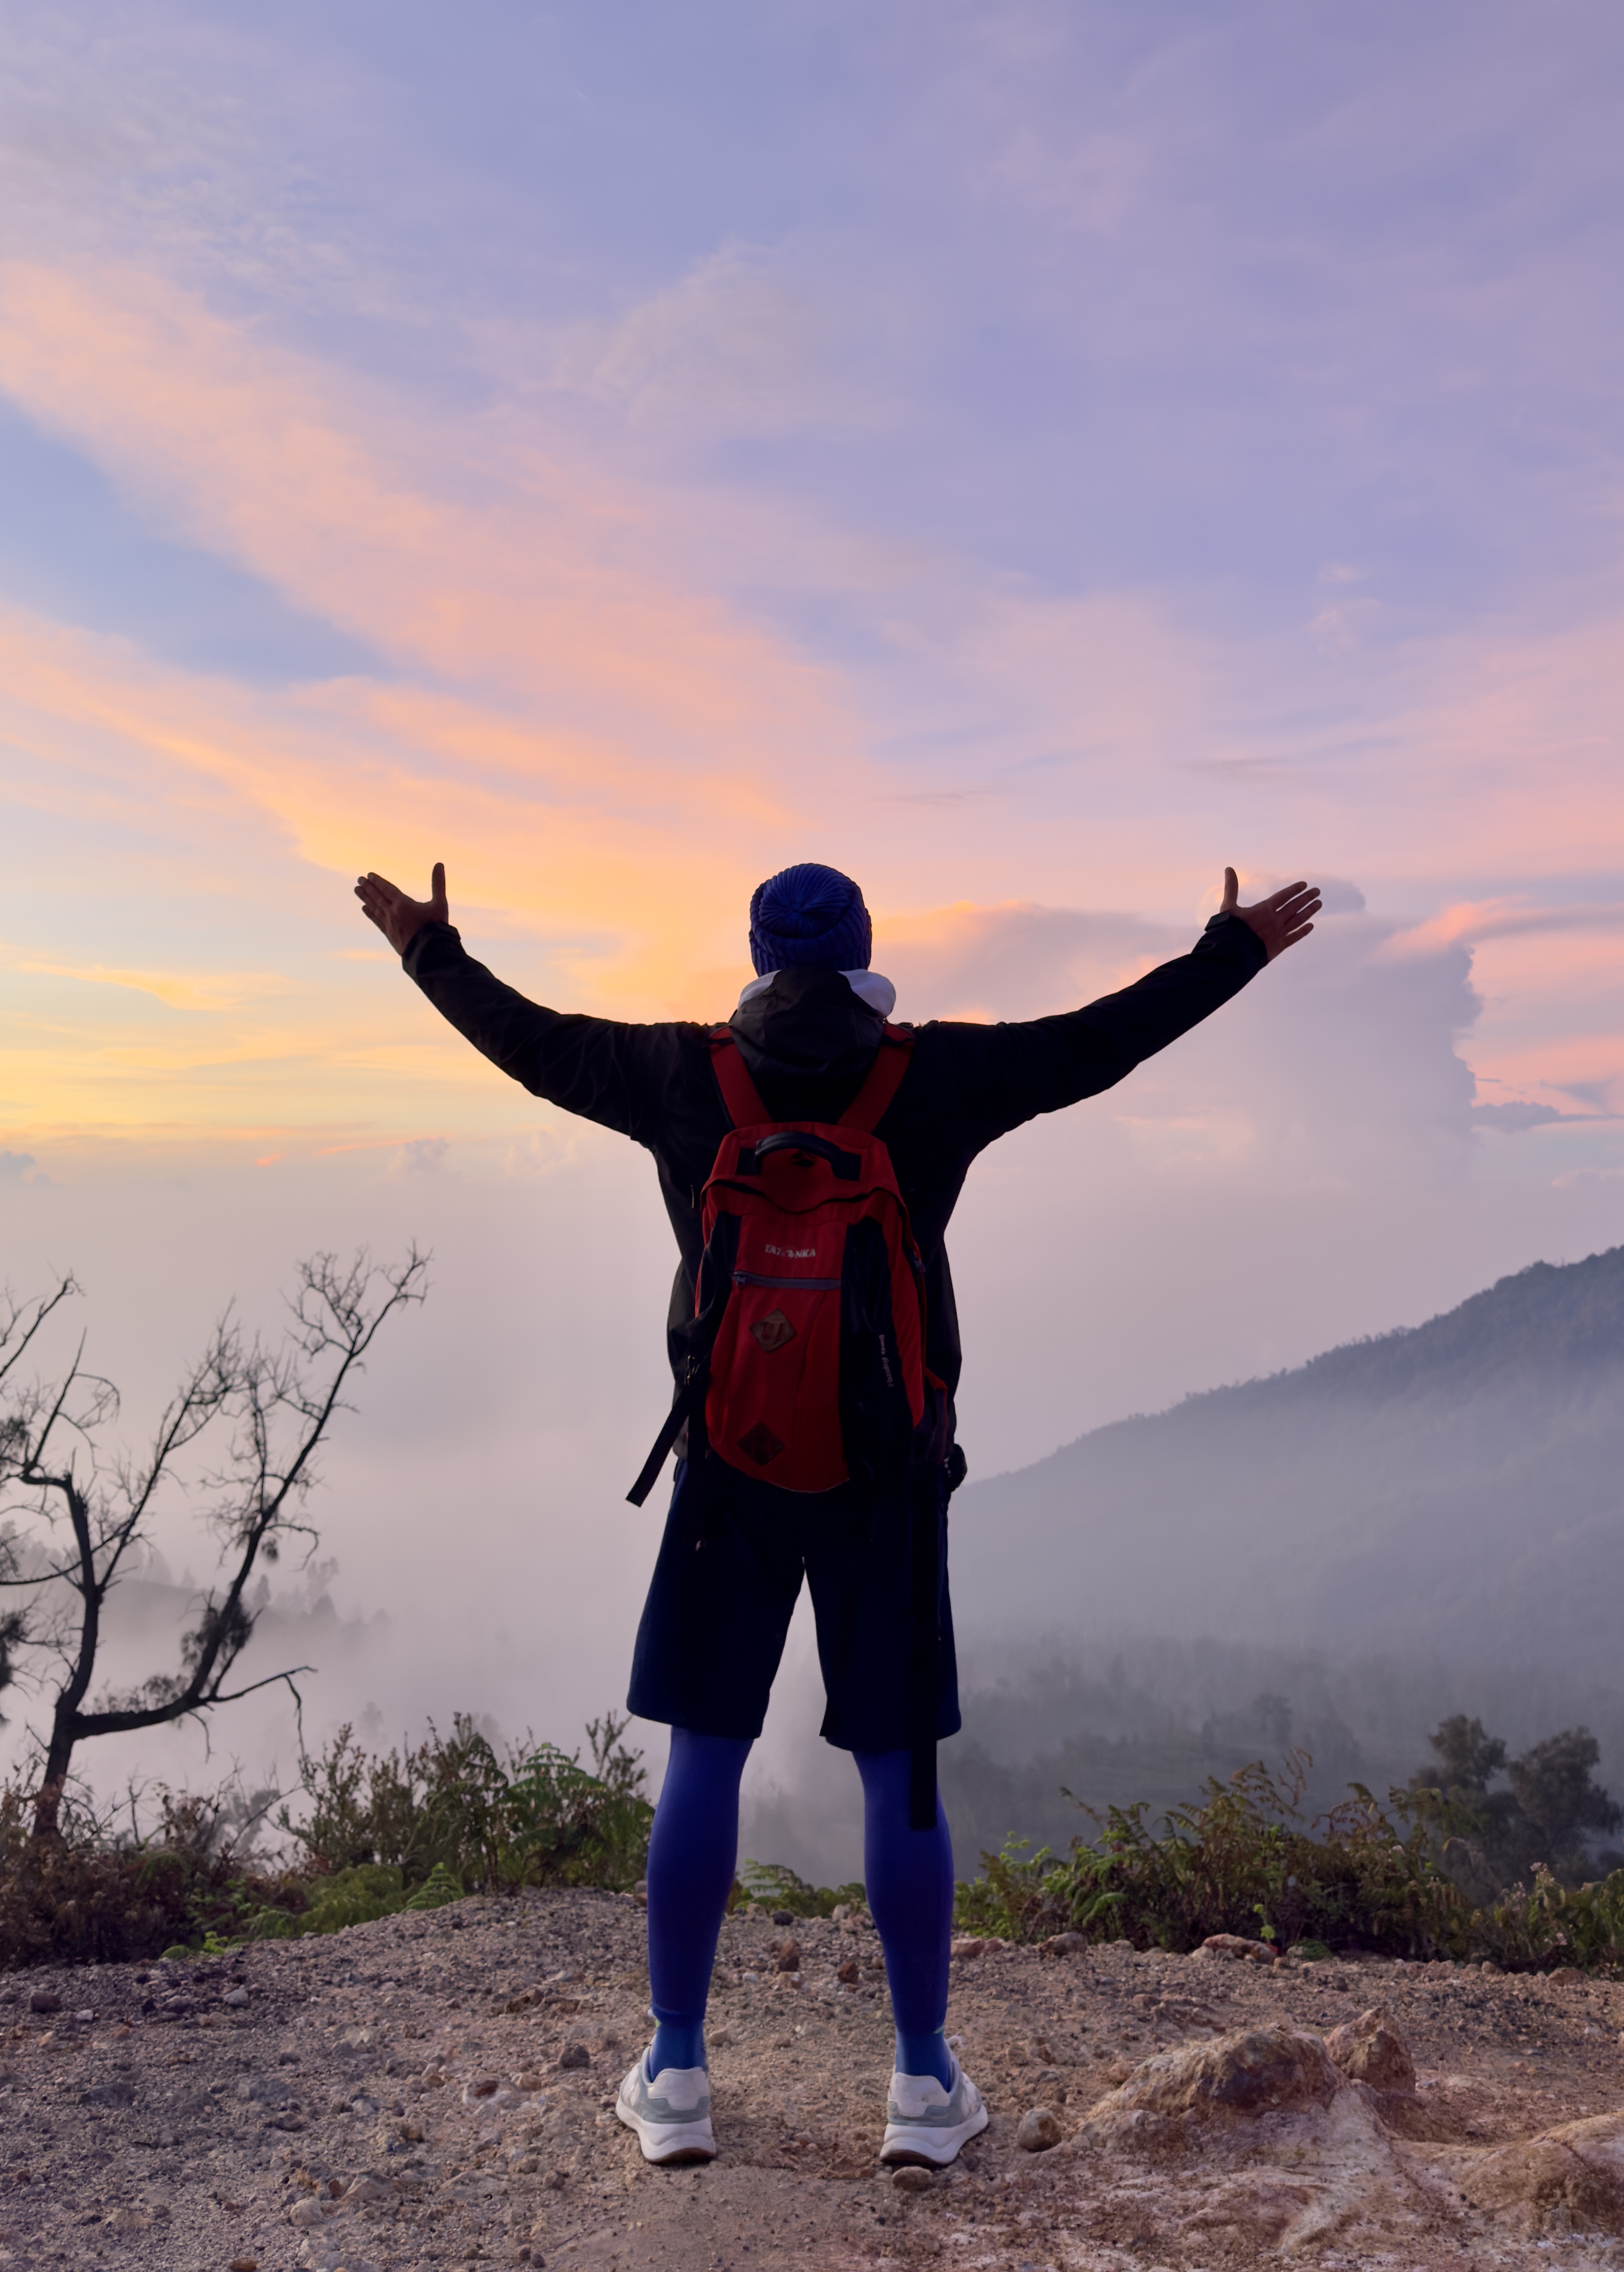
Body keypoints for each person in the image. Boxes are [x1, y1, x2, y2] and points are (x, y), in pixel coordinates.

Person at [354, 853, 1320, 2171]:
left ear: (758, 956)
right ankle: (921, 2081)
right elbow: (1100, 1043)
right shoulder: (938, 1076)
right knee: (895, 1767)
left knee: (705, 1754)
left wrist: (429, 949)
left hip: (728, 1463)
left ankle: (677, 2071)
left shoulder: (680, 1073)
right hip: (888, 1473)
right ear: (865, 951)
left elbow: (529, 1043)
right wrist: (1232, 950)